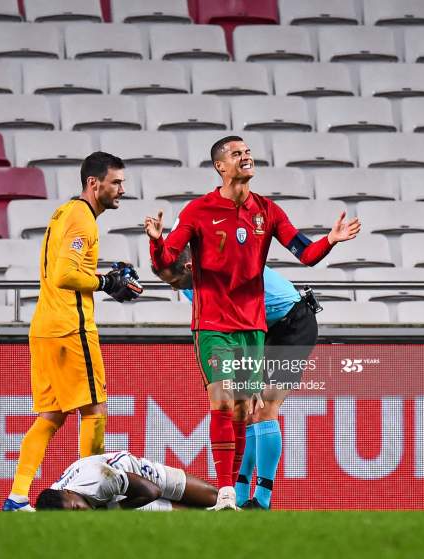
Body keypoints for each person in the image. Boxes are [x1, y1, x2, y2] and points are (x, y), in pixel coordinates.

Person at [144, 135, 360, 510]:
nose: (246, 157)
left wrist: (331, 239)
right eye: (236, 153)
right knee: (225, 400)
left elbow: (305, 253)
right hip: (214, 326)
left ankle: (249, 496)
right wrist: (156, 242)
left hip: (270, 324)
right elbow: (166, 259)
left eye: (247, 151)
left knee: (248, 409)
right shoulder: (197, 212)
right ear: (220, 166)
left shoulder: (268, 211)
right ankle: (232, 492)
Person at [3, 152, 143, 512]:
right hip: (71, 328)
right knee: (94, 409)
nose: (122, 189)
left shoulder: (64, 212)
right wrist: (105, 281)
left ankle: (17, 497)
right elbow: (66, 275)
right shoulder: (83, 219)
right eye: (116, 182)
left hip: (45, 326)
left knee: (50, 415)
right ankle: (90, 492)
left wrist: (107, 276)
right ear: (93, 183)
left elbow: (65, 265)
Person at [155, 250, 320, 510]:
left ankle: (263, 499)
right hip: (254, 331)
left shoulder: (223, 265)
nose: (173, 287)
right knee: (243, 409)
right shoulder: (190, 286)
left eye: (173, 280)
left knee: (265, 409)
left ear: (188, 267)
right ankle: (240, 497)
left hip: (292, 324)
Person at [34, 451, 218, 511]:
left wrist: (115, 510)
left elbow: (152, 491)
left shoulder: (98, 479)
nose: (79, 513)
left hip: (139, 477)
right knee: (194, 517)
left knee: (213, 497)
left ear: (68, 492)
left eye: (75, 508)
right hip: (112, 499)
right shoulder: (53, 505)